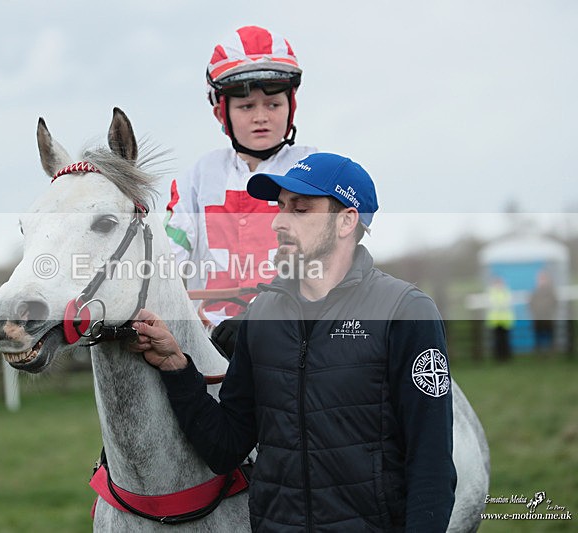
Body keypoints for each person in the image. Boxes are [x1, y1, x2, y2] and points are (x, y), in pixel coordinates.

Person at [132, 153, 457, 531]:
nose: (279, 222)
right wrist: (176, 366)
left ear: (347, 221)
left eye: (300, 210)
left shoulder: (405, 312)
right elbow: (225, 448)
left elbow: (431, 466)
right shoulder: (260, 317)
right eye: (281, 207)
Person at [165, 25, 317, 327]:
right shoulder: (196, 178)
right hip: (209, 338)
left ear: (291, 106)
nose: (261, 117)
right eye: (246, 106)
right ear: (222, 113)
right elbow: (166, 259)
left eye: (273, 104)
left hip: (295, 332)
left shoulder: (314, 168)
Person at [528, 270, 558, 352]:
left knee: (550, 335)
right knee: (538, 336)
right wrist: (535, 313)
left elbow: (555, 303)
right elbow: (531, 304)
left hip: (548, 317)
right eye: (540, 279)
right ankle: (539, 352)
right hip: (538, 318)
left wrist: (550, 312)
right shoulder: (534, 291)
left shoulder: (550, 291)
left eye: (543, 278)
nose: (541, 280)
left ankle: (551, 351)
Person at [486, 276, 514, 361]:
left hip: (505, 321)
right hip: (496, 321)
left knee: (505, 340)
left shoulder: (505, 292)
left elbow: (508, 303)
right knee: (497, 340)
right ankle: (498, 357)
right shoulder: (491, 292)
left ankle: (506, 356)